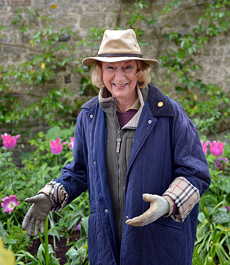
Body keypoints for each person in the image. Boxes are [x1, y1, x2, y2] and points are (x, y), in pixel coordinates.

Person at [22, 29, 210, 265]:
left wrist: (167, 203)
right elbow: (79, 171)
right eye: (111, 67)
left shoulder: (168, 114)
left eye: (127, 67)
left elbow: (195, 173)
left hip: (157, 244)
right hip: (107, 245)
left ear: (139, 70)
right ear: (100, 71)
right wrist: (50, 196)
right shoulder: (89, 115)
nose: (119, 77)